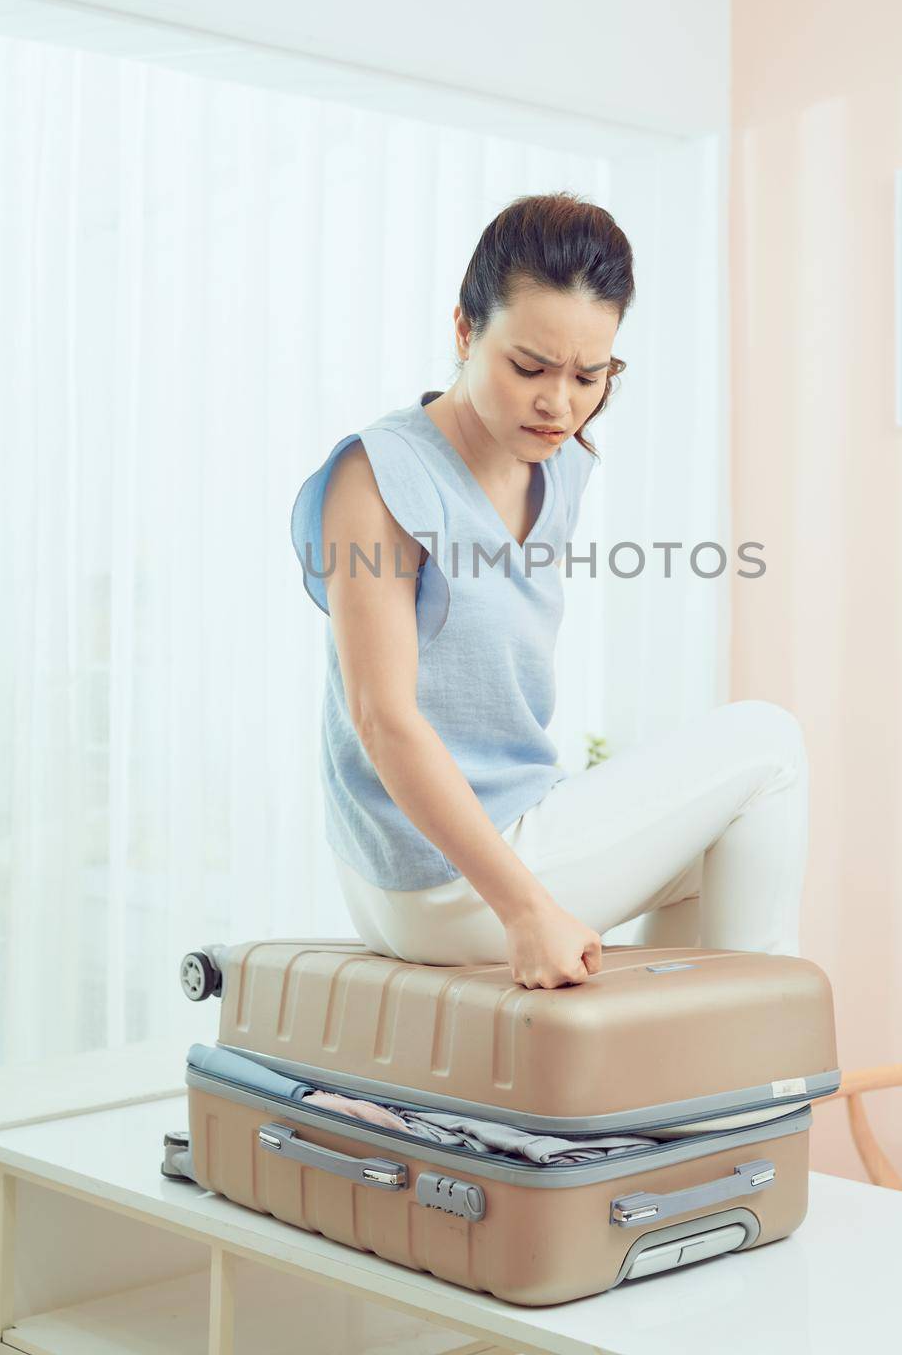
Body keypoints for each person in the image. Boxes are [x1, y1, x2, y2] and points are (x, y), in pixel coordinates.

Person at [291, 192, 809, 991]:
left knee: (720, 848)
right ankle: (762, 1027)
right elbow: (382, 720)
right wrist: (525, 909)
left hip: (512, 831)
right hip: (433, 874)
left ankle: (694, 1071)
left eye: (588, 375)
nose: (558, 403)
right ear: (465, 331)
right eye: (528, 367)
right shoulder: (379, 475)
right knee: (768, 741)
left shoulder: (562, 464)